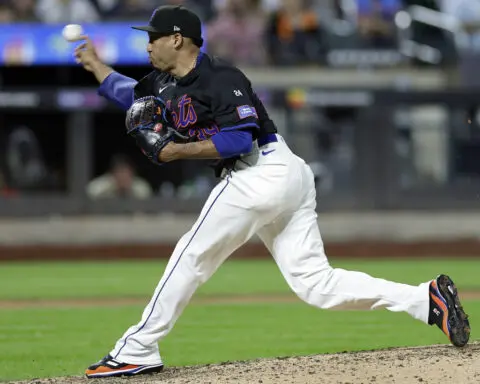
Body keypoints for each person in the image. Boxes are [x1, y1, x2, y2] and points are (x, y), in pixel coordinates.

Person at [74, 5, 470, 378]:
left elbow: (237, 140)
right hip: (281, 177)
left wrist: (176, 150)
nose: (147, 44)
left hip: (261, 170)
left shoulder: (221, 78)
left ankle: (137, 349)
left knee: (191, 254)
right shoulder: (164, 82)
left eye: (154, 37)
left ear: (177, 39)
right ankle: (425, 300)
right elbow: (131, 94)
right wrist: (95, 66)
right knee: (317, 285)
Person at [86, 154, 153, 200]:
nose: (122, 176)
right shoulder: (106, 183)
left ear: (132, 172)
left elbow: (147, 197)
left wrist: (129, 189)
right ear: (112, 173)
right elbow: (89, 192)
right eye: (119, 172)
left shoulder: (140, 186)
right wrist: (111, 185)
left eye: (125, 172)